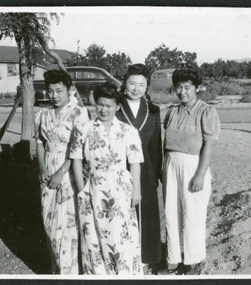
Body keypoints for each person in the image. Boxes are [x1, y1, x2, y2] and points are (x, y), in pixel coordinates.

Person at [70, 83, 143, 275]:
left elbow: (135, 163)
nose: (104, 109)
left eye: (109, 105)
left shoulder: (129, 131)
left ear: (117, 107)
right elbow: (76, 160)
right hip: (92, 188)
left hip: (121, 189)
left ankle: (124, 275)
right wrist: (81, 189)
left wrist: (136, 191)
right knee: (94, 237)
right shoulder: (83, 129)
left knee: (120, 236)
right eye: (100, 104)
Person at [162, 68, 220, 275]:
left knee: (193, 214)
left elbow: (209, 145)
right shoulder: (172, 111)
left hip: (193, 166)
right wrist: (164, 167)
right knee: (171, 213)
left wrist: (200, 174)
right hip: (170, 164)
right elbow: (165, 144)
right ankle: (173, 259)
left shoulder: (206, 111)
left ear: (197, 88)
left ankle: (194, 260)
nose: (182, 92)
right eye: (178, 87)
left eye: (187, 87)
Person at [34, 69, 89, 274]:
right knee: (49, 222)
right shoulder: (42, 114)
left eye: (59, 91)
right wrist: (41, 167)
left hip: (69, 170)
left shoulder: (78, 113)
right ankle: (56, 269)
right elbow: (40, 143)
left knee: (68, 223)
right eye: (51, 91)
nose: (54, 96)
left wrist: (61, 172)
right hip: (47, 169)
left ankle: (72, 271)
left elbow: (78, 146)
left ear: (70, 90)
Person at [115, 64, 163, 274]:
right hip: (119, 167)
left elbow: (156, 145)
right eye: (132, 83)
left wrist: (155, 175)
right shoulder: (115, 107)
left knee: (147, 213)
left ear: (147, 87)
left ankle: (147, 258)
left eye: (141, 84)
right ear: (124, 83)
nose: (136, 88)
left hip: (147, 168)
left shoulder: (153, 110)